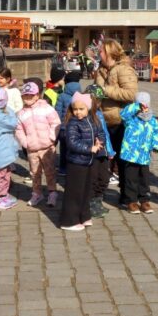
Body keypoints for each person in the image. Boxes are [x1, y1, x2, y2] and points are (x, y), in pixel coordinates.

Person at [92, 39, 138, 206]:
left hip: (121, 121)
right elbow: (96, 93)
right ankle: (96, 194)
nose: (98, 54)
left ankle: (127, 196)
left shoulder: (124, 69)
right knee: (101, 160)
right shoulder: (100, 70)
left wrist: (105, 90)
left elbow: (131, 94)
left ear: (110, 52)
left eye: (101, 51)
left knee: (123, 161)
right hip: (103, 121)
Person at [59, 93, 106, 231]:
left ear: (88, 108)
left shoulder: (93, 119)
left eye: (81, 109)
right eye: (75, 109)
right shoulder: (72, 123)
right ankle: (69, 221)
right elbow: (72, 143)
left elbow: (101, 132)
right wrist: (89, 148)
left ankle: (84, 215)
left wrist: (99, 142)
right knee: (74, 191)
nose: (78, 112)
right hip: (76, 162)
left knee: (86, 190)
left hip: (89, 161)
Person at [15, 81, 61, 207]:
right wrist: (25, 143)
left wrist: (52, 137)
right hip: (32, 148)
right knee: (34, 173)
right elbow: (18, 130)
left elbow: (55, 122)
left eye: (31, 95)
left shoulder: (46, 108)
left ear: (37, 95)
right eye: (25, 95)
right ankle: (37, 193)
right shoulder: (21, 113)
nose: (28, 97)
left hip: (47, 147)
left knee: (50, 171)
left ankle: (52, 192)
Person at [117, 92, 158, 214]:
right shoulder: (131, 118)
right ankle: (131, 201)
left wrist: (156, 145)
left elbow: (156, 132)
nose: (144, 107)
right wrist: (136, 106)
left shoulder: (152, 119)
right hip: (130, 154)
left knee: (144, 179)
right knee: (131, 178)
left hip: (144, 155)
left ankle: (144, 200)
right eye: (141, 104)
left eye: (146, 104)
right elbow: (123, 114)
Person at [84, 83, 116, 218]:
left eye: (100, 101)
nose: (98, 103)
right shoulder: (84, 114)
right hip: (92, 152)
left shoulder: (99, 114)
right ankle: (91, 203)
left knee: (104, 178)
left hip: (103, 151)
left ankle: (98, 199)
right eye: (96, 100)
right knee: (93, 178)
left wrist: (110, 150)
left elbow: (105, 133)